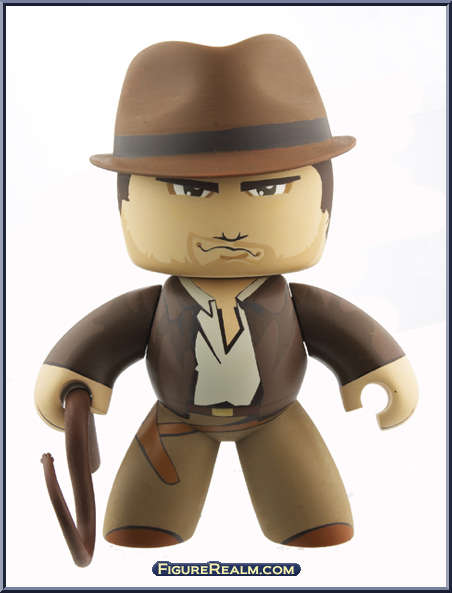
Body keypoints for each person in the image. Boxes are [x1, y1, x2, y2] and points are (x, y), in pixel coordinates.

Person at [35, 34, 418, 551]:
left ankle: (303, 514)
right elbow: (105, 335)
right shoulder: (155, 306)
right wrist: (75, 372)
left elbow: (343, 328)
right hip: (177, 423)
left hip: (277, 419)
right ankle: (151, 517)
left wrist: (376, 367)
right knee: (142, 525)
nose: (231, 230)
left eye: (267, 188)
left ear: (324, 197)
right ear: (125, 204)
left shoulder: (295, 303)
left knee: (313, 518)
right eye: (190, 190)